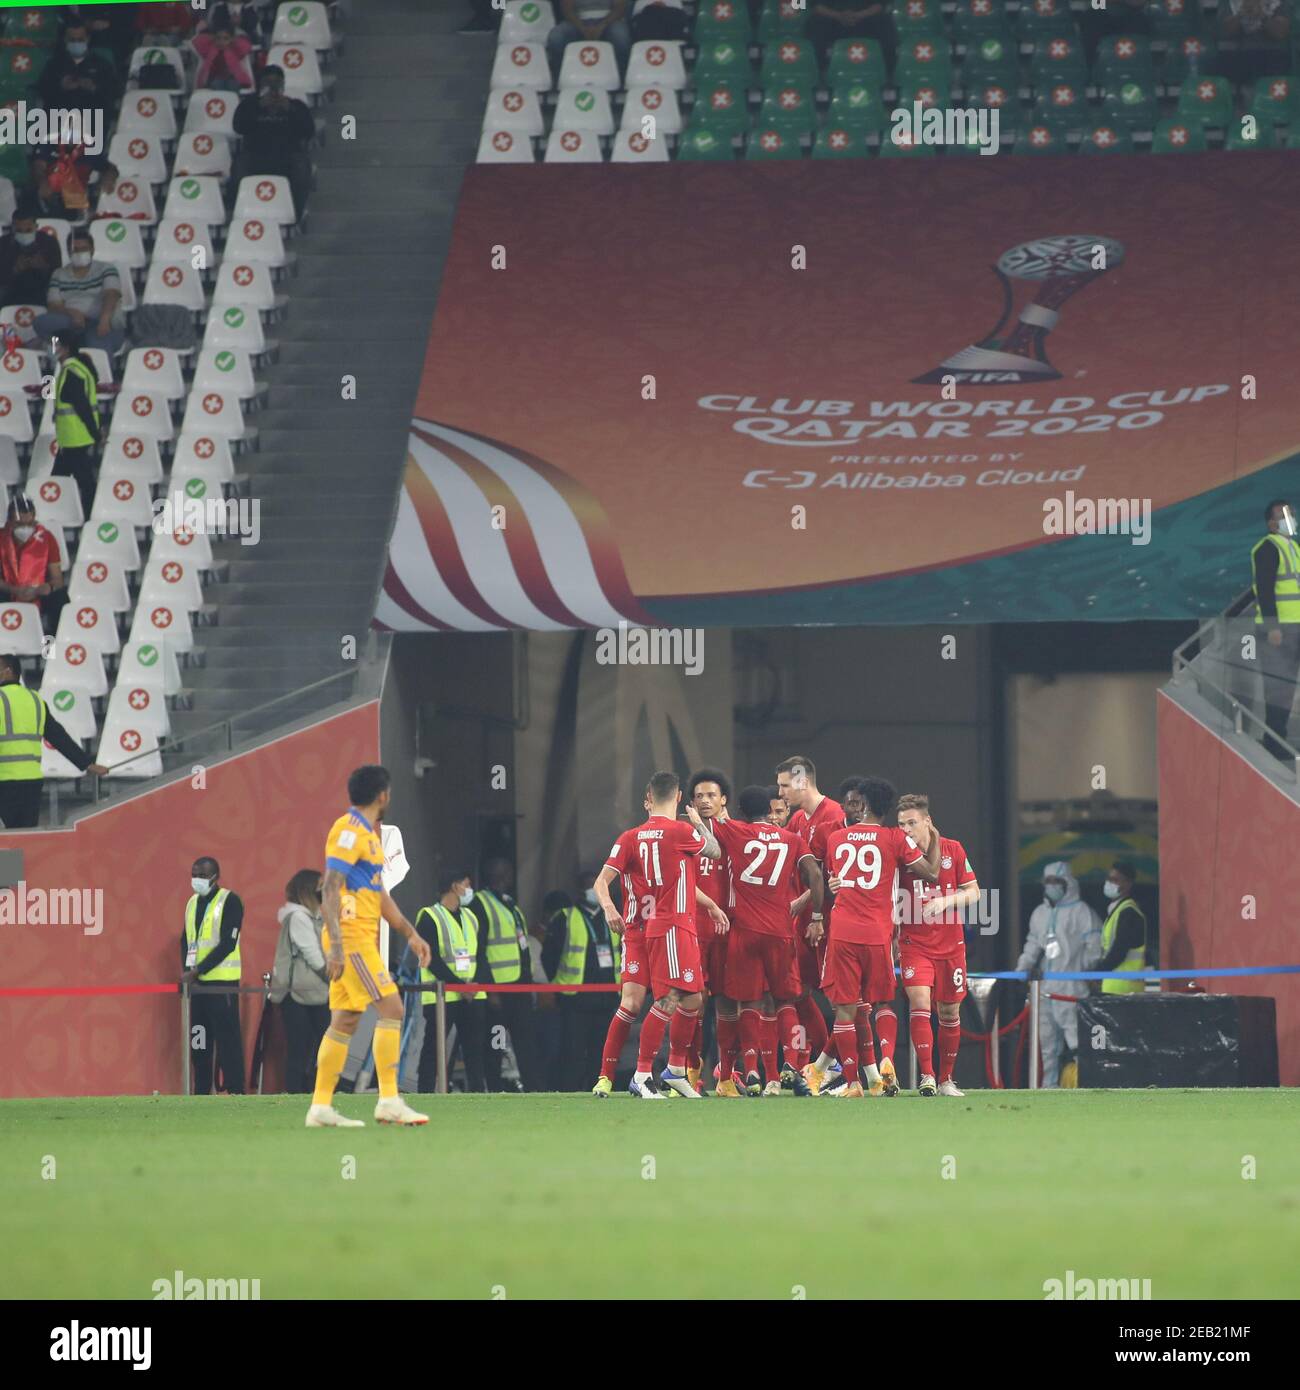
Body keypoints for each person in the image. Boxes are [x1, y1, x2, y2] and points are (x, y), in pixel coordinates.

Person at [307, 764, 432, 1127]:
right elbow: (330, 886)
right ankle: (389, 1099)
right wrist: (336, 946)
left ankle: (320, 1107)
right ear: (383, 795)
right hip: (351, 938)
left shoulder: (369, 835)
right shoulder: (348, 831)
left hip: (360, 936)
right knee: (392, 1007)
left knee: (346, 1019)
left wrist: (410, 933)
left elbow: (379, 894)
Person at [594, 771, 727, 1098]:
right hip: (659, 927)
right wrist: (697, 822)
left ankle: (676, 1069)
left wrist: (709, 906)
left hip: (669, 925)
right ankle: (632, 1074)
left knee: (693, 997)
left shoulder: (631, 837)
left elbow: (681, 883)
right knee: (656, 1000)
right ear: (680, 797)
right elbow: (714, 851)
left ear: (649, 798)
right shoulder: (679, 831)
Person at [812, 778, 937, 1098]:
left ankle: (853, 1083)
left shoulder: (837, 838)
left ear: (864, 805)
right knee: (883, 1003)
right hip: (877, 933)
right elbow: (930, 872)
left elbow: (833, 881)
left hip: (842, 932)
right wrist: (932, 837)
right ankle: (885, 1061)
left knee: (845, 1009)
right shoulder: (895, 838)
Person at [714, 785, 823, 1097]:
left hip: (744, 931)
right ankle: (788, 1065)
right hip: (780, 929)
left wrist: (696, 817)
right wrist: (816, 916)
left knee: (749, 1002)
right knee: (785, 999)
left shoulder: (737, 831)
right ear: (768, 810)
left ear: (744, 813)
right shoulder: (792, 838)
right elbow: (814, 875)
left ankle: (752, 1072)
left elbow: (714, 826)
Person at [896, 793, 980, 1098]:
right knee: (919, 1002)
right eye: (901, 823)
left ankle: (946, 1079)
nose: (906, 829)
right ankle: (927, 1076)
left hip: (950, 945)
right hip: (914, 943)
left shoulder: (952, 849)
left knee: (948, 1011)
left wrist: (947, 901)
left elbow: (974, 893)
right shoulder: (899, 853)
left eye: (912, 823)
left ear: (927, 821)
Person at [776, 754, 839, 1074]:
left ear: (803, 782)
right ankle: (820, 1063)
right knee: (796, 990)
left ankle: (844, 1066)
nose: (782, 793)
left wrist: (807, 910)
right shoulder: (799, 820)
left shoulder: (834, 816)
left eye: (785, 786)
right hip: (804, 923)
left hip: (828, 922)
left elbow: (829, 875)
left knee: (839, 999)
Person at [1016, 861, 1102, 1088]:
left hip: (1072, 986)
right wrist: (1022, 969)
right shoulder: (1040, 913)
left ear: (1068, 884)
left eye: (1057, 882)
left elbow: (1094, 947)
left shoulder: (1082, 912)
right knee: (1047, 1044)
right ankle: (1048, 1088)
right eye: (1048, 882)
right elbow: (1032, 945)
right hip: (1045, 988)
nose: (1051, 886)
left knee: (1076, 1041)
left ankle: (1084, 1084)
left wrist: (1087, 972)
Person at [406, 869, 489, 1094]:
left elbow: (480, 955)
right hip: (442, 995)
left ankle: (478, 1093)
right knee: (433, 1049)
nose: (470, 889)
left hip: (472, 995)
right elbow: (432, 959)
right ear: (455, 886)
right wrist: (460, 985)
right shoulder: (429, 916)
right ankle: (425, 1093)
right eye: (466, 884)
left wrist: (474, 985)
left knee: (475, 1050)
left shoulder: (471, 917)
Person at [0, 653, 105, 827]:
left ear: (8, 671)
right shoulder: (35, 700)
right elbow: (58, 736)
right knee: (26, 838)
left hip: (4, 781)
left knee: (7, 841)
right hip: (31, 781)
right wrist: (86, 763)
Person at [542, 879, 620, 1090]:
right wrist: (558, 984)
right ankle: (570, 1091)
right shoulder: (565, 918)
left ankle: (599, 1088)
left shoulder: (610, 916)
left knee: (601, 1051)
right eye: (589, 884)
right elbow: (548, 956)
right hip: (575, 998)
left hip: (607, 997)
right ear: (580, 891)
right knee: (573, 1051)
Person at [470, 857, 539, 1092]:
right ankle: (494, 1085)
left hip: (519, 987)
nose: (510, 877)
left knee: (525, 1041)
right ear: (496, 874)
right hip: (499, 990)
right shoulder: (481, 903)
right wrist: (490, 990)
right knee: (496, 1042)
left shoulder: (509, 903)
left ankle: (532, 1087)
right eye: (506, 871)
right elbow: (479, 951)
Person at [181, 857, 247, 1095]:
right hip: (198, 987)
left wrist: (200, 970)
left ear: (215, 876)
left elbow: (228, 944)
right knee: (199, 1041)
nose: (196, 879)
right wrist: (188, 971)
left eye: (202, 874)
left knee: (228, 1040)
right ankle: (200, 1092)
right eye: (194, 873)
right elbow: (187, 939)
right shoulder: (191, 903)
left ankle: (236, 1091)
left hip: (222, 984)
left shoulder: (230, 901)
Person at [687, 767, 732, 1094]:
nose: (705, 800)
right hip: (694, 927)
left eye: (711, 795)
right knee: (695, 1002)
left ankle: (727, 1075)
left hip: (729, 929)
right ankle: (690, 1071)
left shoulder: (734, 832)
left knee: (730, 1002)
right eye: (699, 796)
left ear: (723, 800)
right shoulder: (682, 832)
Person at [270, 868, 330, 1093]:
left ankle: (313, 1091)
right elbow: (313, 955)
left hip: (313, 992)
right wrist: (333, 977)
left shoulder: (315, 917)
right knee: (300, 1049)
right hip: (298, 993)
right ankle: (298, 1093)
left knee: (315, 1048)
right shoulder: (298, 918)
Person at [232, 65, 316, 222]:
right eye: (268, 82)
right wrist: (258, 106)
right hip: (256, 155)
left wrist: (290, 109)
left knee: (302, 166)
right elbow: (238, 126)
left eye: (277, 82)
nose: (272, 86)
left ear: (283, 84)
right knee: (239, 164)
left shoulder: (296, 105)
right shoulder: (249, 104)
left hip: (287, 156)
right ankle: (239, 211)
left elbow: (309, 130)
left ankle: (296, 214)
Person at [1251, 500, 1300, 762]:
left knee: (1288, 687)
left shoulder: (1294, 547)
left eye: (1292, 514)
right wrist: (1273, 627)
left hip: (1296, 627)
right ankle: (1273, 740)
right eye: (1284, 515)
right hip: (1279, 630)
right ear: (1271, 523)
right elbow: (1265, 590)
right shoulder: (1267, 548)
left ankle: (1277, 738)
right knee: (1278, 687)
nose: (1291, 518)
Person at [37, 227, 124, 356]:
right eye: (75, 250)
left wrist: (104, 319)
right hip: (70, 321)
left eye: (84, 249)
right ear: (68, 252)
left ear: (92, 250)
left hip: (99, 321)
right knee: (41, 323)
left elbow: (112, 294)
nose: (79, 253)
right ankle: (59, 349)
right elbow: (53, 305)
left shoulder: (106, 269)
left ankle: (99, 371)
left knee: (98, 347)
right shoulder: (59, 273)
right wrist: (72, 313)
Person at [48, 328, 101, 516]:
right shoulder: (76, 368)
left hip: (74, 437)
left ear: (66, 348)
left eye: (55, 345)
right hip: (73, 438)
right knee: (62, 479)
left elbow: (82, 407)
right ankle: (61, 512)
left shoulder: (71, 372)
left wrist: (96, 433)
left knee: (83, 482)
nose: (51, 348)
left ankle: (89, 515)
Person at [0, 494, 67, 633]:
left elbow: (58, 578)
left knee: (60, 599)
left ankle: (49, 652)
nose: (25, 529)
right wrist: (15, 590)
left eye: (30, 524)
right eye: (19, 524)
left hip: (37, 592)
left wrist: (48, 587)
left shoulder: (47, 538)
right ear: (9, 522)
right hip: (7, 591)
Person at [37, 21, 121, 122]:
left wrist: (94, 88)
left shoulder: (102, 64)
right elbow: (42, 90)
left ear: (88, 39)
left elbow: (114, 91)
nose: (76, 43)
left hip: (92, 120)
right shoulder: (54, 64)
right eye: (72, 40)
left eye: (80, 40)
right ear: (65, 40)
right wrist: (61, 86)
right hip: (60, 120)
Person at [1096, 860, 1149, 994]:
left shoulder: (1129, 913)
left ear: (1128, 884)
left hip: (1125, 989)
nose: (1109, 883)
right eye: (1109, 879)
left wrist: (1097, 972)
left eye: (1115, 880)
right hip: (1114, 985)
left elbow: (1119, 950)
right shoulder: (1117, 911)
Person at [548, 1, 632, 78]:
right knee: (557, 36)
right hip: (577, 21)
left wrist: (601, 26)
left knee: (621, 36)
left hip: (609, 21)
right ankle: (558, 78)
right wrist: (583, 28)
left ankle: (621, 78)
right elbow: (567, 10)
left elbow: (619, 8)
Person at [1218, 0, 1291, 85]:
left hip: (1272, 56)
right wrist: (1240, 14)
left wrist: (1262, 15)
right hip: (1235, 56)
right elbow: (1224, 32)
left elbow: (1280, 33)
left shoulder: (1278, 2)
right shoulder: (1229, 2)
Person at [0, 208, 62, 308]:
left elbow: (58, 273)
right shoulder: (3, 243)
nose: (24, 234)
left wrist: (43, 267)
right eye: (19, 230)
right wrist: (15, 269)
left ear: (36, 227)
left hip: (41, 287)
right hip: (11, 289)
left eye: (28, 230)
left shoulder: (49, 242)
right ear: (13, 228)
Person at [808, 1, 896, 67]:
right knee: (815, 24)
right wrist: (838, 15)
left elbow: (880, 5)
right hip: (832, 19)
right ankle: (820, 76)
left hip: (866, 18)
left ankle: (888, 75)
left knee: (885, 23)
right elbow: (816, 5)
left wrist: (859, 15)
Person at [193, 20, 256, 93]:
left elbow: (246, 47)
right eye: (218, 38)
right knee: (217, 84)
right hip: (214, 79)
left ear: (232, 39)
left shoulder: (234, 49)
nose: (221, 42)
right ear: (213, 38)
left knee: (232, 85)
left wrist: (234, 41)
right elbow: (197, 41)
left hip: (233, 79)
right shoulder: (210, 49)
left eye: (226, 38)